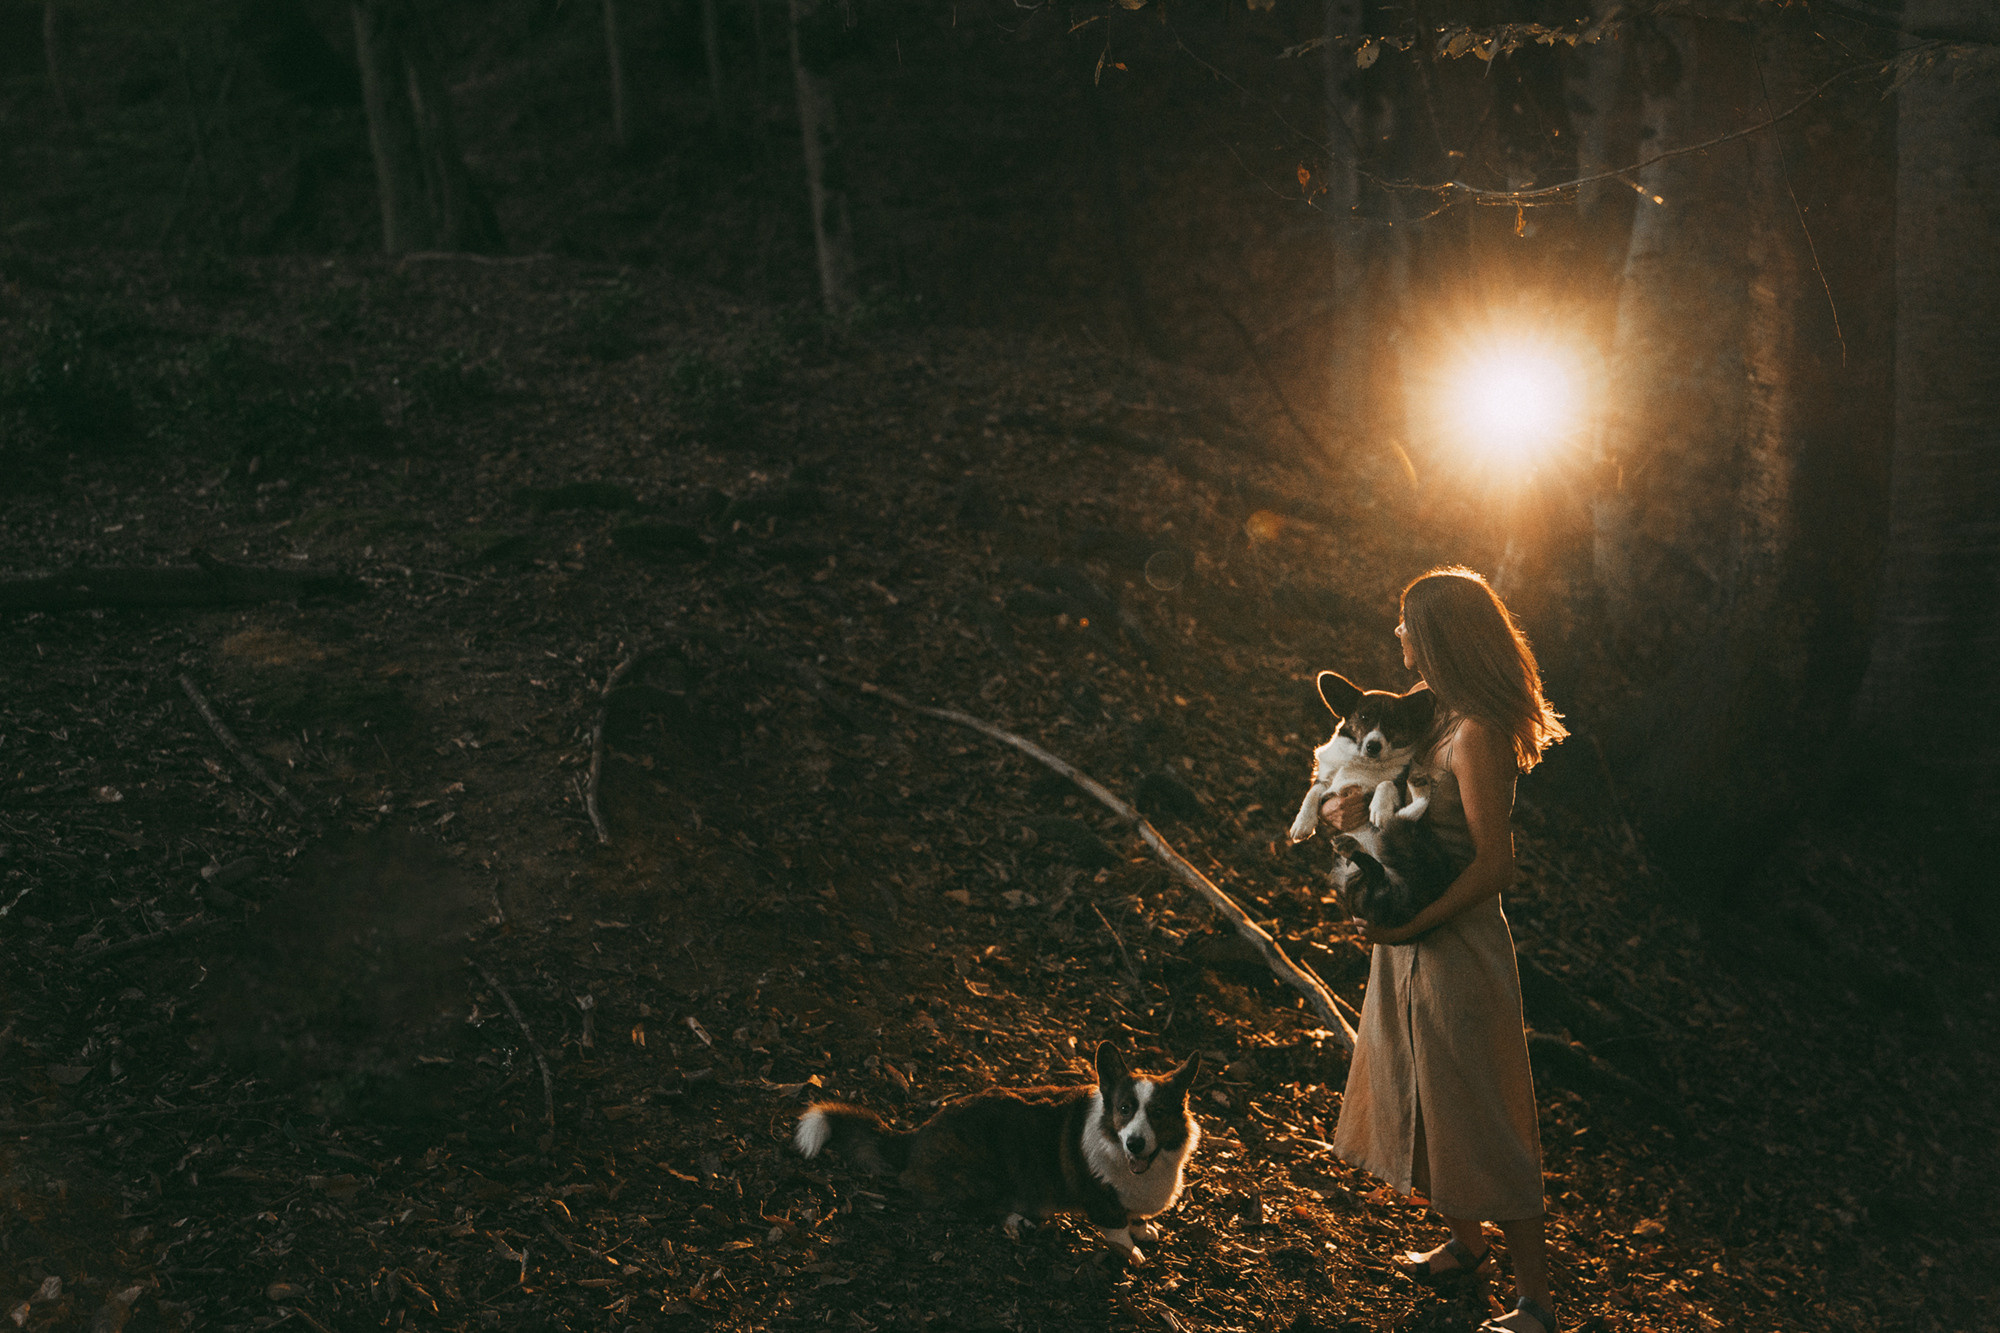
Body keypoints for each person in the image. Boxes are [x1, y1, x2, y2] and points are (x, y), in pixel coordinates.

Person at [1322, 566, 1568, 1333]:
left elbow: (1496, 863)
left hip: (1456, 951)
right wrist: (1353, 815)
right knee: (1428, 1100)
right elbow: (1411, 824)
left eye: (1406, 622)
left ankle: (1536, 1305)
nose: (1396, 634)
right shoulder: (1433, 721)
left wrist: (1413, 924)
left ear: (1436, 634)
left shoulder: (1474, 734)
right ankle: (1466, 1245)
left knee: (1487, 1116)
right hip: (1411, 942)